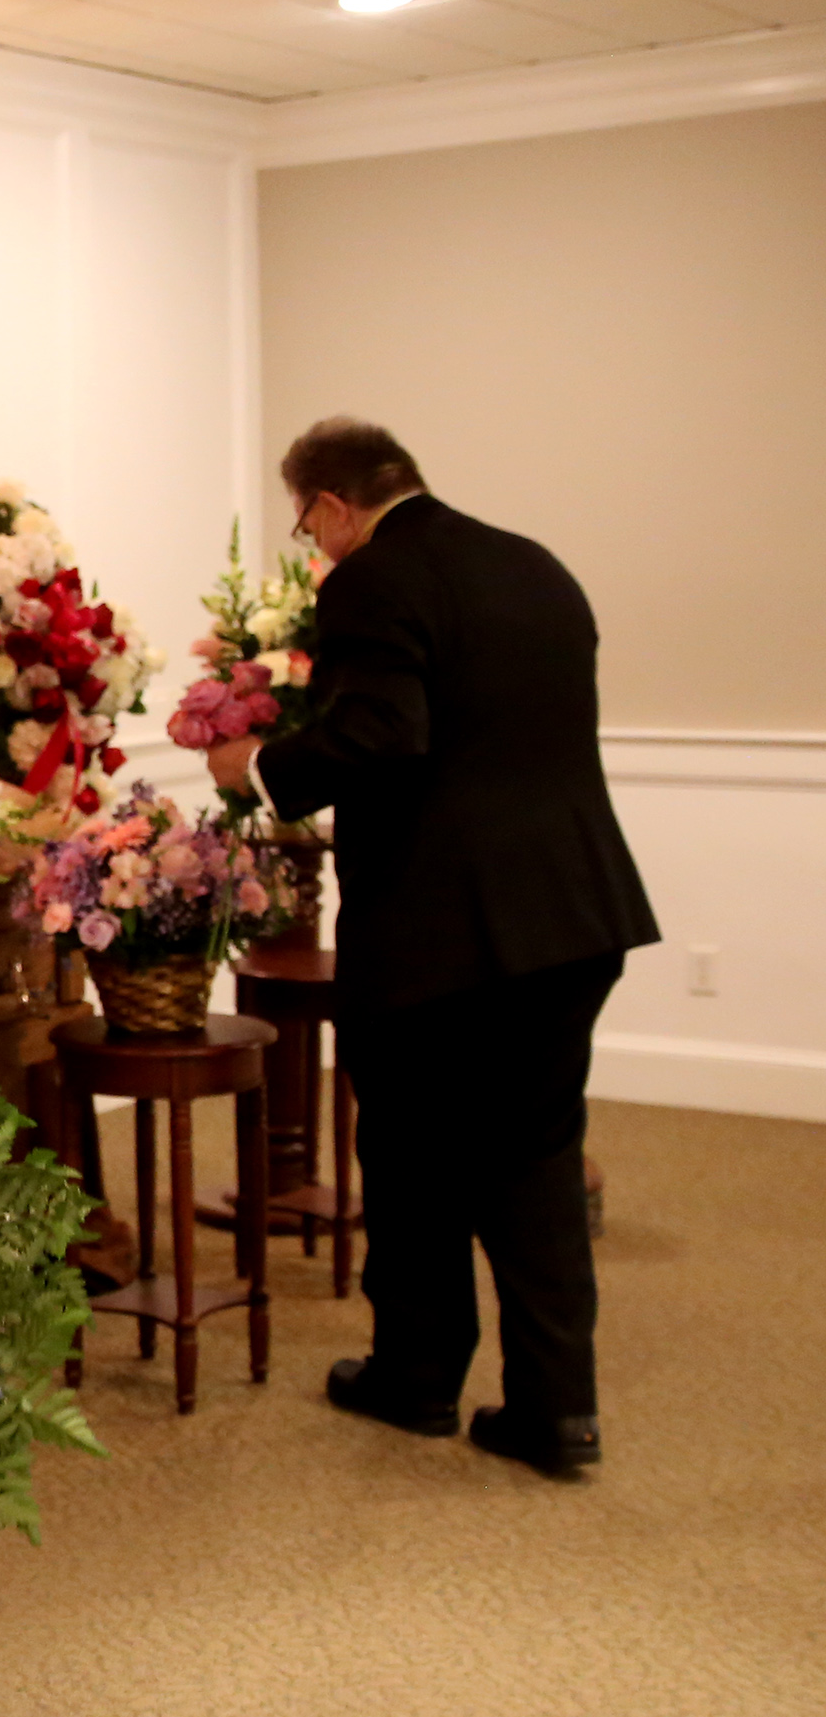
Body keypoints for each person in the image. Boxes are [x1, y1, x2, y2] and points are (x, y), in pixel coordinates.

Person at [206, 419, 657, 1478]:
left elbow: (384, 731)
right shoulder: (533, 566)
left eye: (306, 526)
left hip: (439, 935)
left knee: (409, 1156)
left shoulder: (370, 578)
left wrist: (258, 766)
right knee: (534, 1155)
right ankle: (556, 1410)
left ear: (326, 505)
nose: (312, 548)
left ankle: (413, 1377)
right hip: (573, 915)